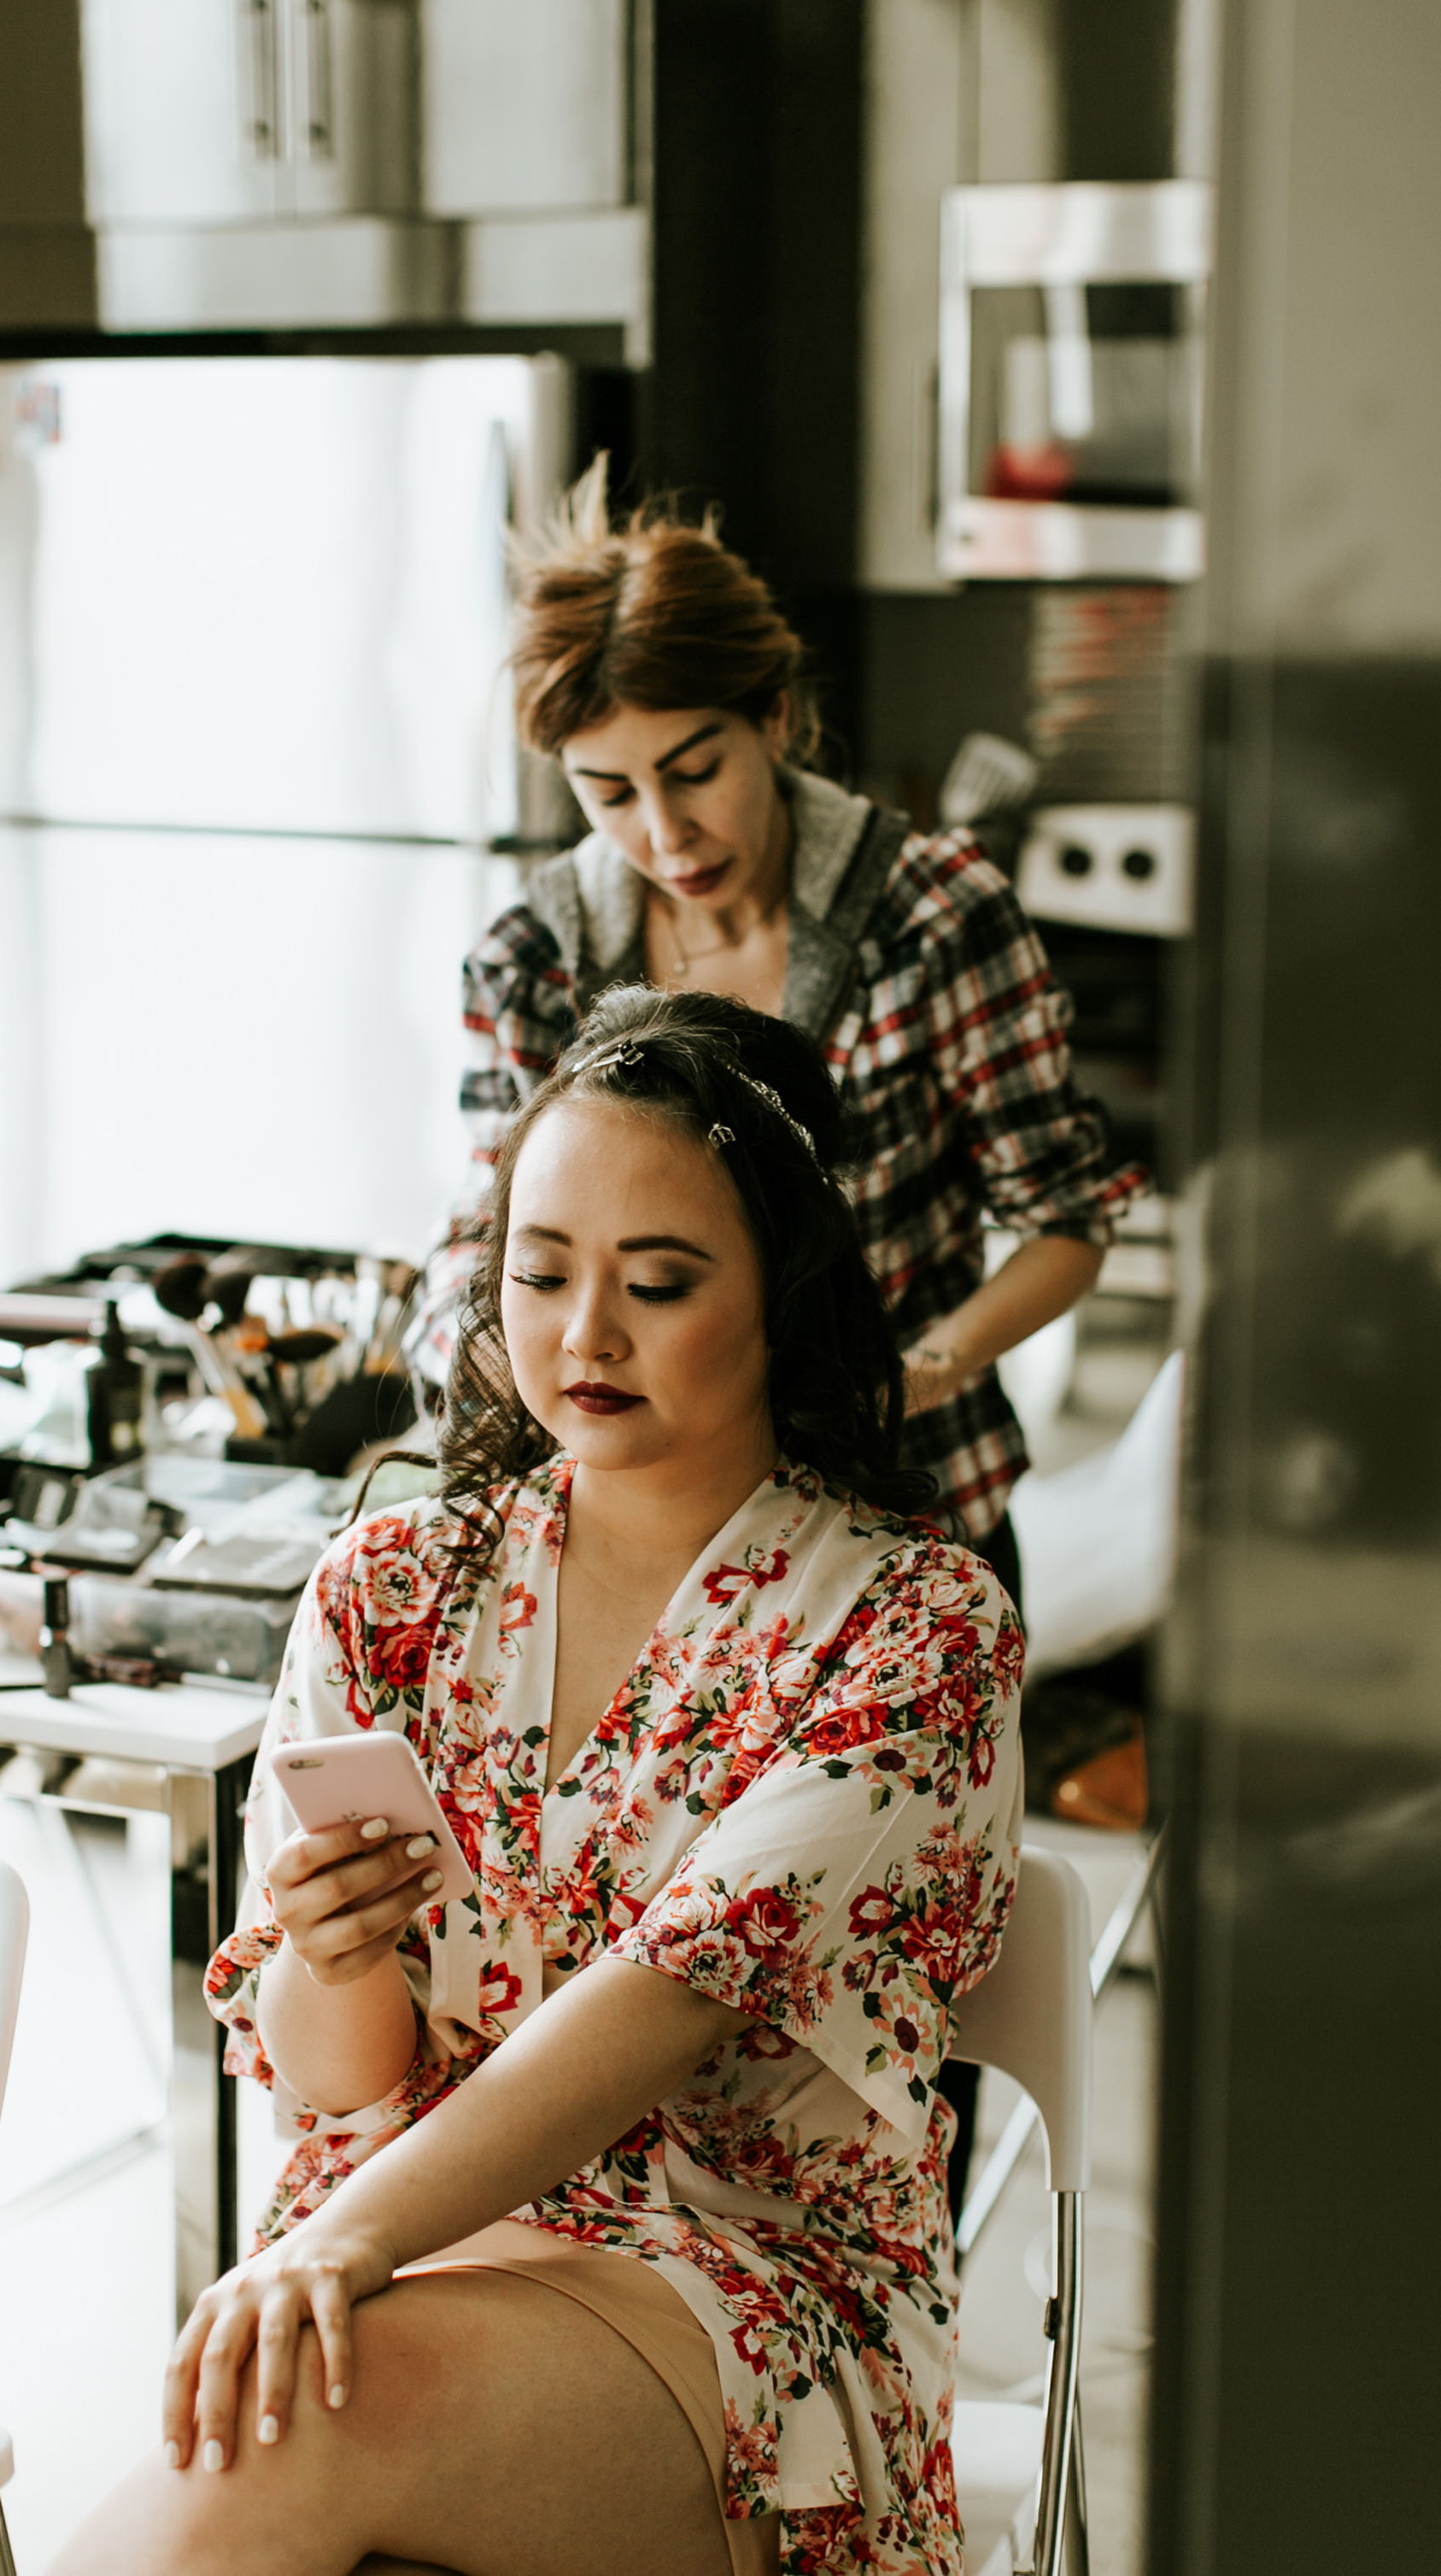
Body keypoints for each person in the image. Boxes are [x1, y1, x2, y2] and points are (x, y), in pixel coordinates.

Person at [48, 989, 1023, 2576]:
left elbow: (653, 2009)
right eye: (541, 1273)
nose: (584, 1336)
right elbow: (337, 2078)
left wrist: (351, 2236)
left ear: (787, 1294)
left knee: (286, 2426)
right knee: (280, 2414)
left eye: (658, 1283)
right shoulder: (396, 1582)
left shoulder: (915, 1631)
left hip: (746, 2294)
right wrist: (332, 1949)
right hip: (411, 2236)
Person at [406, 462, 1142, 2205]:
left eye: (694, 768)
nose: (661, 831)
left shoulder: (931, 912)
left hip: (899, 1518)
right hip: (638, 1554)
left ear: (777, 719)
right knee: (630, 2026)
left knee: (876, 2055)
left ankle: (842, 2366)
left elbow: (1066, 1212)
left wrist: (919, 1364)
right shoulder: (537, 950)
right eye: (607, 792)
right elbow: (483, 1231)